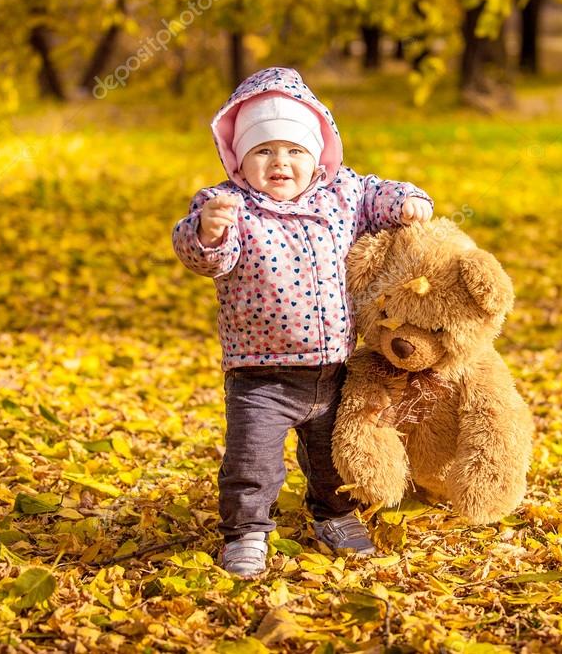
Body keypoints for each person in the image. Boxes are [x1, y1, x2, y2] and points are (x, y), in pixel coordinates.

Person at [172, 67, 433, 578]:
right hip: (259, 373)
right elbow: (207, 258)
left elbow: (375, 193)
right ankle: (246, 531)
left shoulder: (341, 194)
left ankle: (333, 514)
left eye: (294, 150)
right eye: (264, 150)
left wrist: (406, 201)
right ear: (239, 159)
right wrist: (207, 232)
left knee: (331, 455)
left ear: (317, 154)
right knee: (253, 464)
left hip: (332, 367)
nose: (280, 162)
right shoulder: (229, 205)